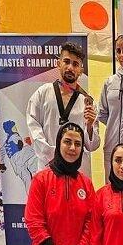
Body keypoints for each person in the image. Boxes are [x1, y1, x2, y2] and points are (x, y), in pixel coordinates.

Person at [27, 42, 100, 176]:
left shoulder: (87, 102)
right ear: (58, 64)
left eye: (75, 64)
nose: (70, 67)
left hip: (78, 169)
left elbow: (92, 146)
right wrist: (52, 154)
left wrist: (90, 127)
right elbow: (34, 127)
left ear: (81, 70)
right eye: (66, 62)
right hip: (48, 166)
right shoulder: (42, 93)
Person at [98, 35, 123, 180]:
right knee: (110, 187)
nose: (122, 55)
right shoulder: (109, 82)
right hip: (111, 144)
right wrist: (115, 125)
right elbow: (102, 113)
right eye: (118, 51)